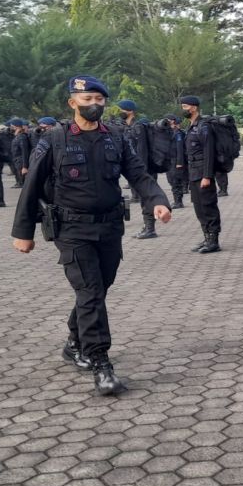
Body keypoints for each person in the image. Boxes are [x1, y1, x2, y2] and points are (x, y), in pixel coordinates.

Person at [12, 75, 171, 396]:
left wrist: (158, 201)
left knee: (98, 289)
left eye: (100, 100)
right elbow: (30, 187)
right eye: (88, 100)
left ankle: (74, 342)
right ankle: (100, 362)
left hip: (110, 227)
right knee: (91, 290)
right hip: (71, 229)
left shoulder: (116, 137)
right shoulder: (54, 140)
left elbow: (138, 173)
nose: (95, 105)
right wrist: (23, 232)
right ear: (73, 103)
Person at [181, 95, 222, 254]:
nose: (183, 109)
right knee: (199, 207)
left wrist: (207, 176)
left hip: (203, 174)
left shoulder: (204, 126)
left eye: (185, 107)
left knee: (208, 206)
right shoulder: (191, 126)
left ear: (194, 107)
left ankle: (214, 240)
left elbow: (209, 152)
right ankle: (206, 237)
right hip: (193, 173)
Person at [118, 100, 160, 239]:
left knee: (147, 199)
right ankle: (147, 227)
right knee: (143, 199)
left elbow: (142, 150)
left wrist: (142, 171)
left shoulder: (139, 127)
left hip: (144, 168)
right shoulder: (128, 126)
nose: (120, 112)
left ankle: (150, 229)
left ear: (130, 111)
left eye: (122, 110)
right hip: (137, 169)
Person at [164, 114, 187, 209]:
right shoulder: (169, 132)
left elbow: (180, 149)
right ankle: (177, 201)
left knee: (175, 181)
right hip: (169, 161)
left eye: (168, 120)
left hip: (175, 161)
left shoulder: (178, 133)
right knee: (171, 181)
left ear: (172, 121)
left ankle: (178, 201)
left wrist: (179, 162)